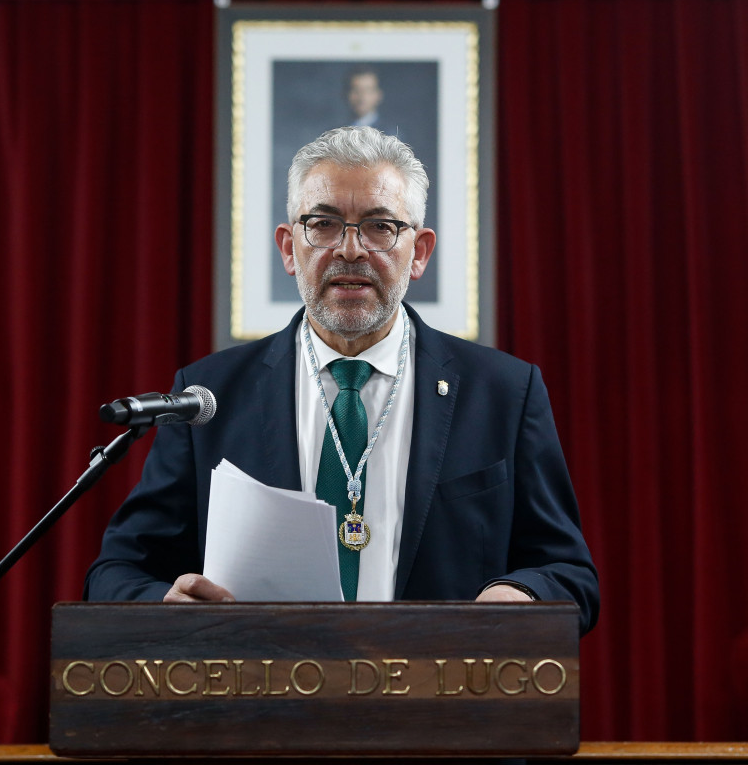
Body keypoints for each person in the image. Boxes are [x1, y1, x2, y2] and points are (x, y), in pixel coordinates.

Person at [86, 125, 598, 634]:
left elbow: (569, 574)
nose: (350, 249)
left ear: (419, 252)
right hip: (265, 683)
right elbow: (117, 572)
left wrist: (521, 594)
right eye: (324, 224)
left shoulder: (503, 393)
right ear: (289, 248)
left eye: (380, 226)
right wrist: (166, 605)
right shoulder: (209, 397)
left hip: (437, 682)